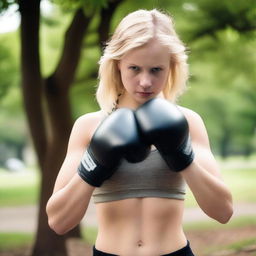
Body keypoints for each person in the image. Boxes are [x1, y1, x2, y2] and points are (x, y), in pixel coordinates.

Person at [46, 9, 233, 256]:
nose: (145, 82)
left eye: (156, 70)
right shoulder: (89, 126)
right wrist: (93, 164)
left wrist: (183, 157)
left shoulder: (188, 122)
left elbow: (223, 212)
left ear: (171, 68)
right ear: (117, 65)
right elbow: (58, 222)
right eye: (134, 68)